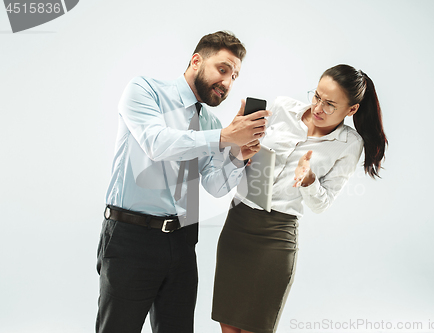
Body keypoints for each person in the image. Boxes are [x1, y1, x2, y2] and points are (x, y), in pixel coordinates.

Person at [96, 31, 271, 333]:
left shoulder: (210, 123)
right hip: (131, 237)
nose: (227, 83)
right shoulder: (145, 90)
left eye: (235, 77)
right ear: (196, 61)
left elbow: (214, 185)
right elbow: (157, 143)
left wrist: (238, 155)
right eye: (223, 69)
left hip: (182, 240)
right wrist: (225, 137)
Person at [211, 64, 388, 333]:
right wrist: (240, 151)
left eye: (330, 104)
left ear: (351, 110)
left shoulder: (350, 144)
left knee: (253, 327)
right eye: (317, 96)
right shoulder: (282, 109)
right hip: (239, 222)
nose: (318, 108)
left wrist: (309, 181)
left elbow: (321, 204)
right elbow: (239, 155)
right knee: (228, 324)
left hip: (277, 234)